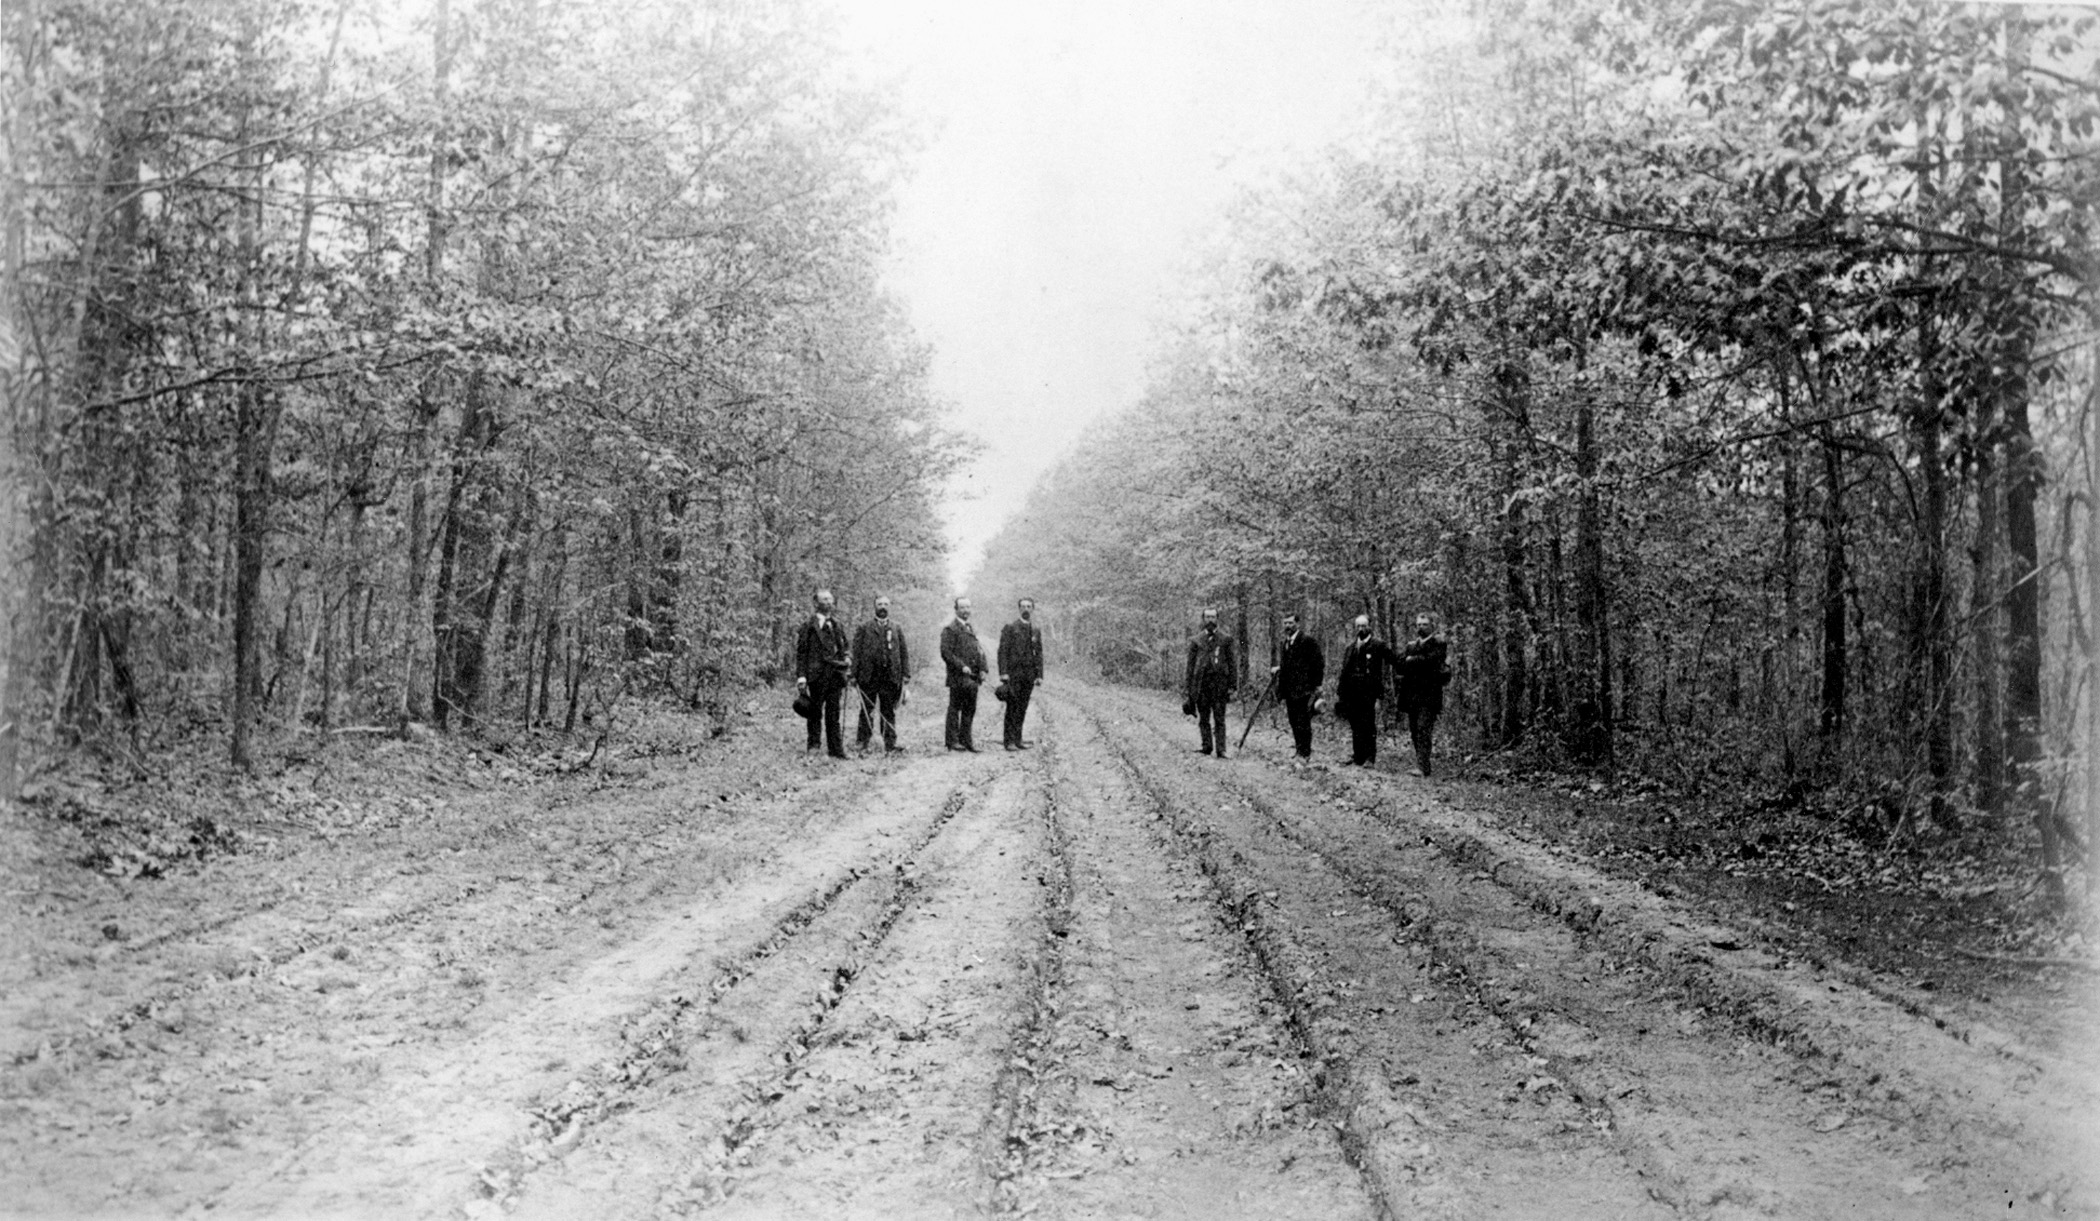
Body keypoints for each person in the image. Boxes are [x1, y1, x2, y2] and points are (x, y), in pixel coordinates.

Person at [1334, 613, 1401, 766]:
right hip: (1351, 693)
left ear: (1369, 626)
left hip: (1369, 693)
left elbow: (1394, 659)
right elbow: (1344, 671)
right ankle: (1358, 756)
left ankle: (1370, 757)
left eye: (1364, 625)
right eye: (1358, 626)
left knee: (1368, 724)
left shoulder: (1378, 645)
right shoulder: (1350, 648)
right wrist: (1341, 693)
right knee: (1355, 724)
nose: (1361, 629)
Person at [794, 589, 851, 759]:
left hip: (835, 675)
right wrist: (801, 676)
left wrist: (847, 658)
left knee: (833, 714)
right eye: (824, 599)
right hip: (816, 676)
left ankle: (836, 749)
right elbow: (802, 653)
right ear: (816, 603)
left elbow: (845, 647)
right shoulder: (808, 626)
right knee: (814, 712)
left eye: (830, 599)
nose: (828, 602)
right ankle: (813, 746)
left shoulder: (837, 625)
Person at [853, 594, 911, 753]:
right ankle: (862, 742)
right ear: (875, 606)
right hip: (868, 676)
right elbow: (856, 653)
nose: (883, 607)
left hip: (890, 677)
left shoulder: (896, 628)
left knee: (888, 710)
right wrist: (853, 675)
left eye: (886, 604)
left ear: (889, 606)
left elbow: (904, 653)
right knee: (866, 710)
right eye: (880, 604)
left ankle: (890, 743)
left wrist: (906, 674)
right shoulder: (864, 628)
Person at [1394, 611, 1450, 777]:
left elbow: (1432, 662)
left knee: (1423, 728)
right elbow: (1400, 664)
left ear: (1431, 625)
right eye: (1418, 624)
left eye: (1424, 624)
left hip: (1429, 695)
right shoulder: (1411, 645)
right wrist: (1412, 661)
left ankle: (1423, 766)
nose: (1421, 627)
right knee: (1413, 729)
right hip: (1411, 696)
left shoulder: (1438, 643)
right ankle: (1421, 762)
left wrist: (1413, 660)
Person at [1270, 611, 1325, 762]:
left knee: (1303, 722)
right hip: (1289, 690)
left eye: (1291, 623)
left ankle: (1305, 753)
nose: (1288, 626)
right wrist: (1279, 669)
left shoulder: (1307, 641)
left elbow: (1318, 664)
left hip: (1304, 690)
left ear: (1297, 624)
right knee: (1293, 721)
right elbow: (1288, 665)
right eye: (1285, 623)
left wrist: (1317, 684)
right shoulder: (1285, 643)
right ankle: (1299, 750)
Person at [1184, 607, 1237, 758]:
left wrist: (1233, 685)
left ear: (1217, 619)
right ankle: (1206, 746)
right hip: (1202, 686)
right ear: (1203, 619)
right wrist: (1189, 688)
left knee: (1220, 718)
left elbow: (1232, 663)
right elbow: (1190, 666)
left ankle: (1221, 749)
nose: (1210, 620)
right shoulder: (1196, 641)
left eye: (1213, 617)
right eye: (1207, 617)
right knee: (1204, 718)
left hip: (1220, 686)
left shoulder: (1225, 639)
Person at [997, 597, 1044, 750]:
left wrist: (1039, 675)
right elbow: (1002, 651)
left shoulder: (1035, 630)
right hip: (1014, 674)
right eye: (1023, 606)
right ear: (1019, 609)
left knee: (1023, 707)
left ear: (1033, 609)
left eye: (1029, 606)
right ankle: (1009, 741)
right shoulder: (1010, 627)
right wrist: (1003, 672)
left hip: (1029, 675)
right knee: (1012, 706)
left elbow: (1039, 654)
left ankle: (1018, 739)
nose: (1026, 609)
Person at [940, 597, 986, 752]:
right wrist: (962, 667)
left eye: (968, 607)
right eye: (962, 607)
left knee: (970, 709)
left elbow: (979, 650)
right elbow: (946, 653)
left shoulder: (970, 628)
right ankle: (952, 741)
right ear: (956, 609)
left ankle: (966, 740)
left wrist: (983, 669)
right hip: (957, 677)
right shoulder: (950, 629)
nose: (966, 610)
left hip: (973, 677)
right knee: (955, 708)